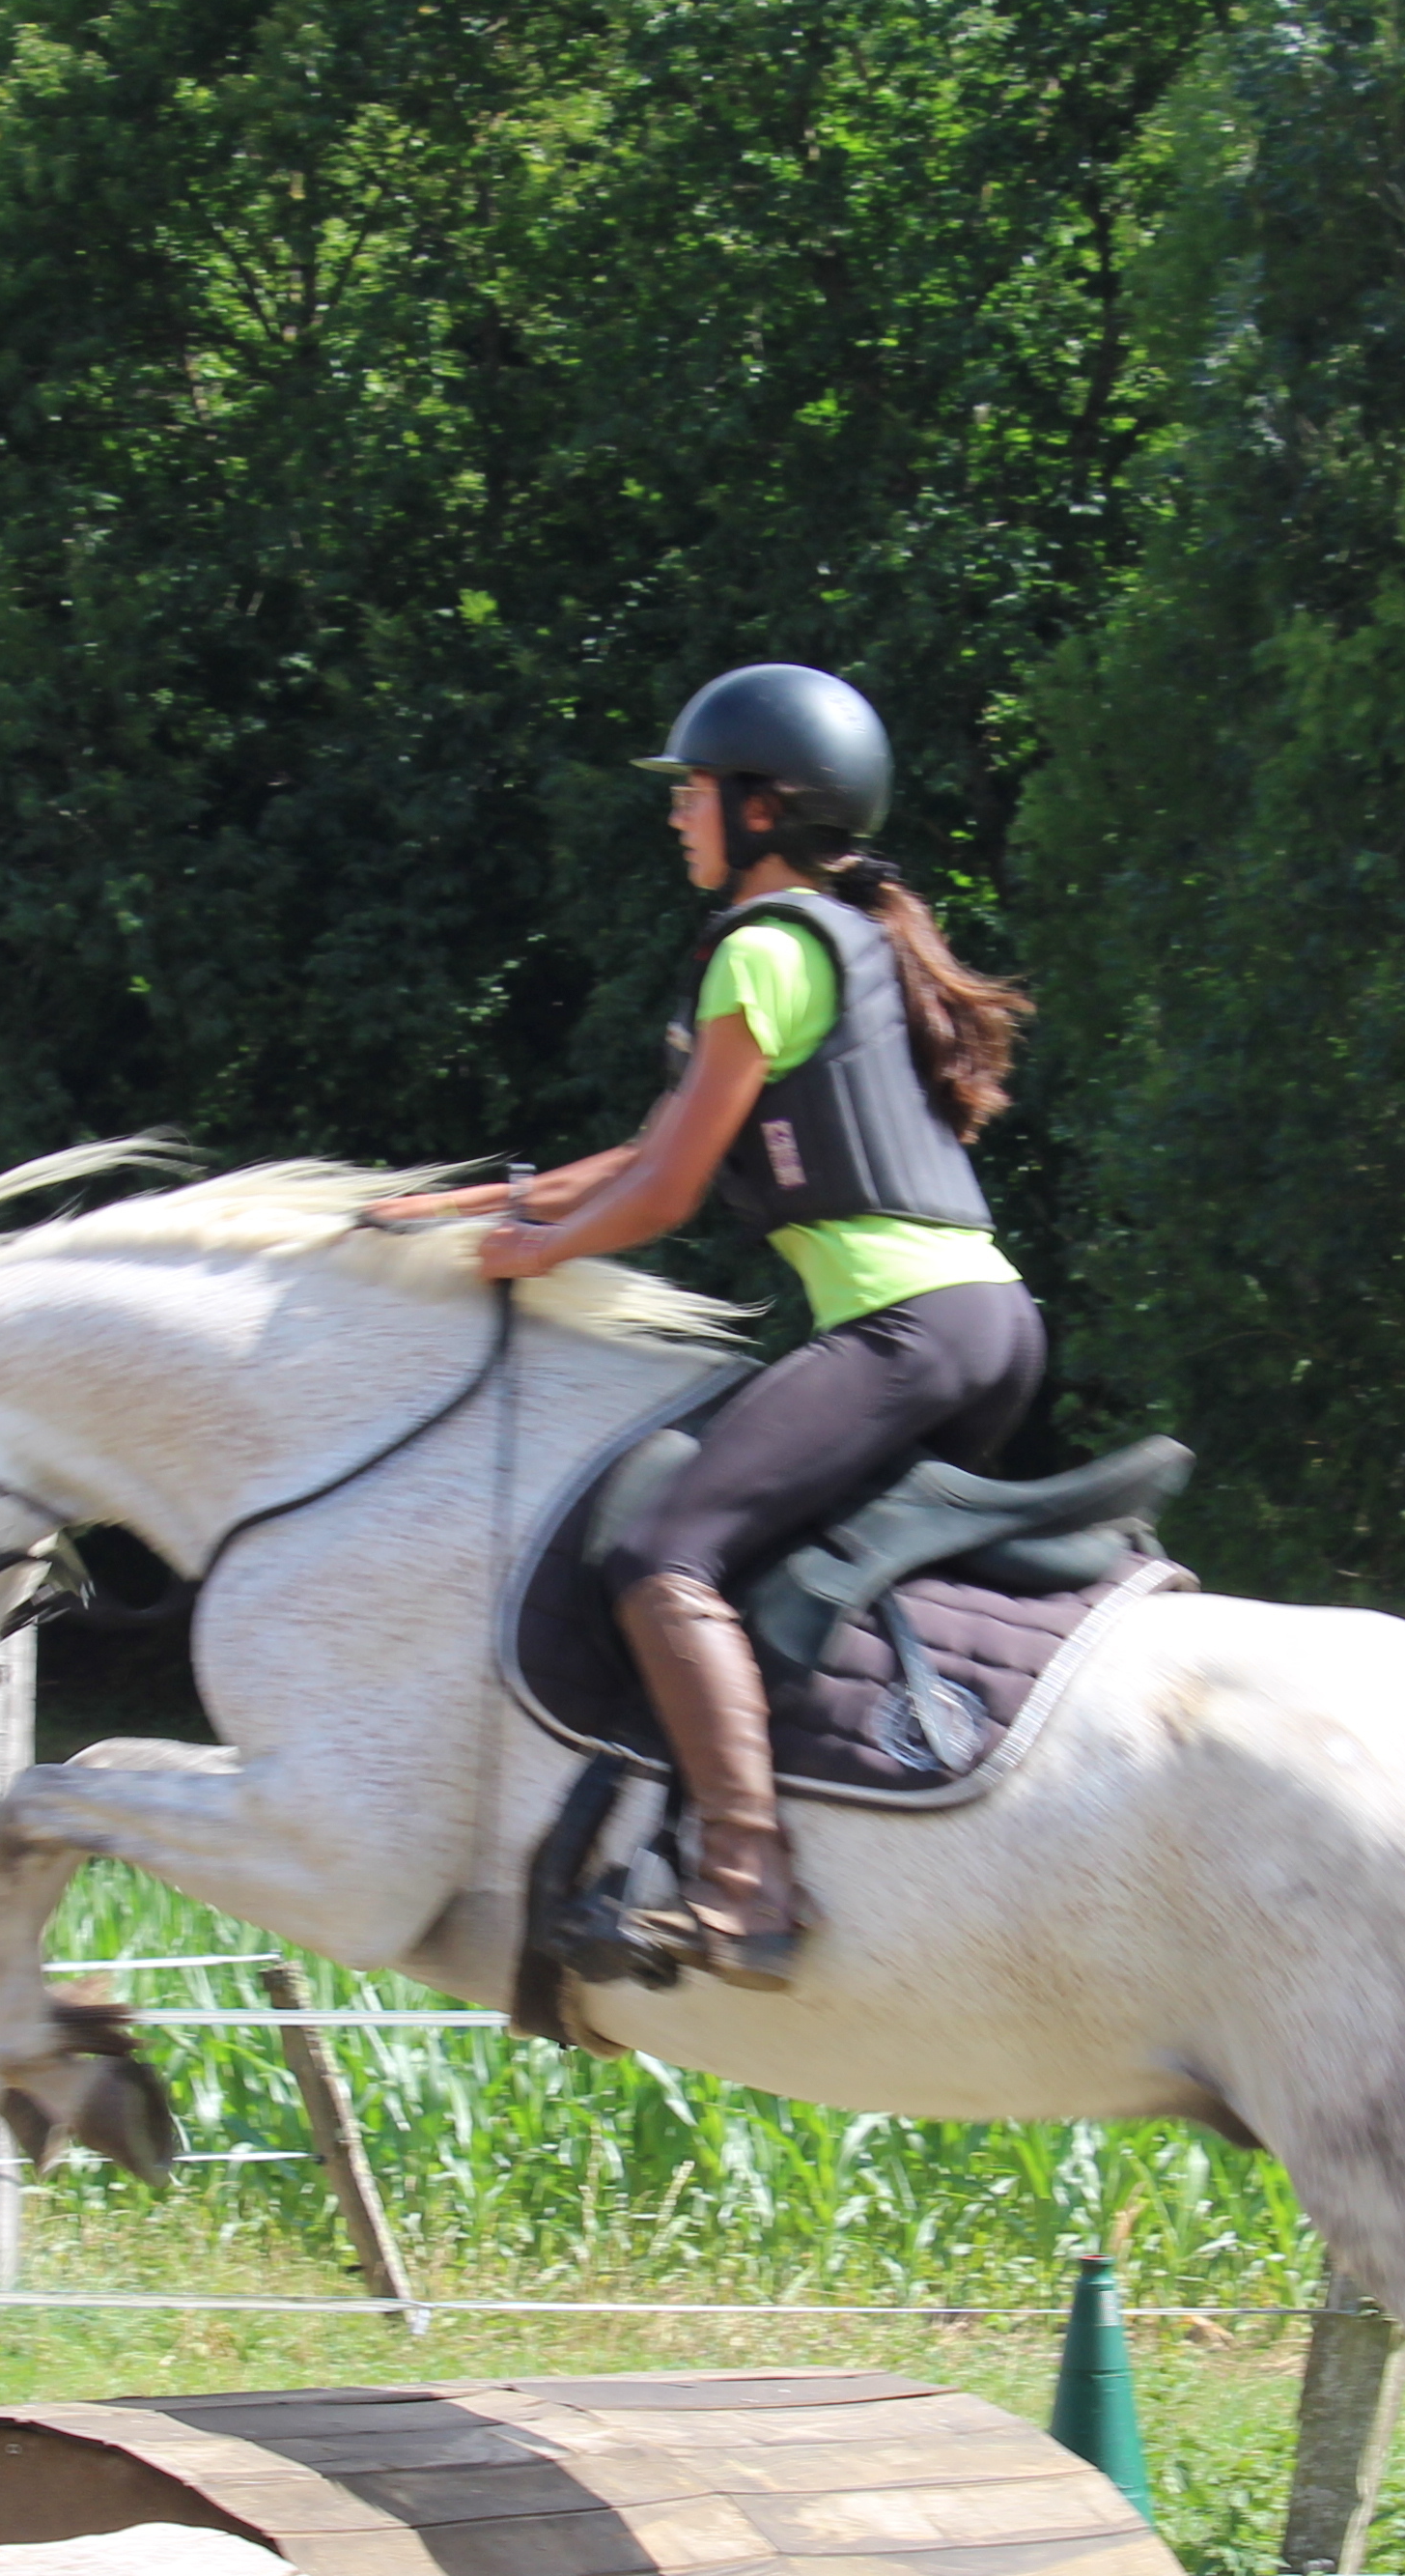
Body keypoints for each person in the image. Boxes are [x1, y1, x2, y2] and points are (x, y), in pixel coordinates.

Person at [435, 661, 1043, 1991]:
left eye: (694, 790)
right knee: (749, 1543)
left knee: (664, 1553)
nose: (676, 815)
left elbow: (663, 1190)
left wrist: (522, 1256)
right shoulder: (848, 939)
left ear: (764, 807)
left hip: (903, 1329)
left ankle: (745, 1883)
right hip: (988, 1321)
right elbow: (659, 1146)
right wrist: (472, 1205)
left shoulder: (761, 952)